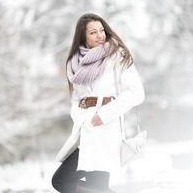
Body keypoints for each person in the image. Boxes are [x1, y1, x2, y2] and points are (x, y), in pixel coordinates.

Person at [51, 13, 145, 193]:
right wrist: (81, 118)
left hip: (106, 130)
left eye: (102, 30)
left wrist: (102, 115)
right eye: (93, 32)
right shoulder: (75, 63)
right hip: (86, 130)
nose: (100, 35)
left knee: (76, 184)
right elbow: (76, 100)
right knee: (67, 182)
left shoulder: (118, 56)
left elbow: (137, 93)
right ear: (83, 36)